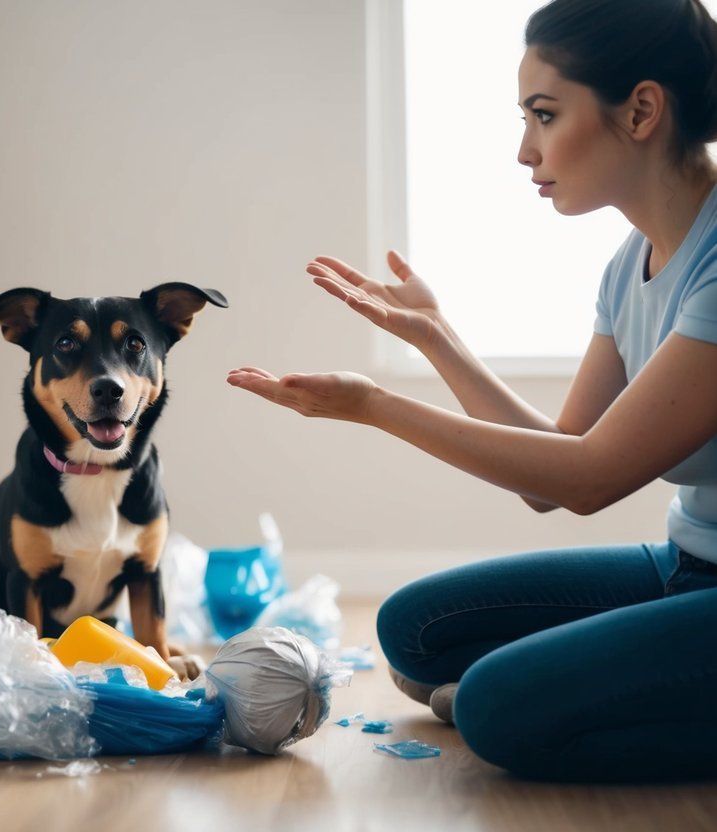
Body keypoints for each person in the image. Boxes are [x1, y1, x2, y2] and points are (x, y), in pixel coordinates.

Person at [227, 0, 717, 784]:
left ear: (641, 109)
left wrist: (374, 406)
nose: (524, 150)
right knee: (415, 631)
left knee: (494, 709)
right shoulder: (632, 263)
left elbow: (589, 479)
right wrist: (436, 337)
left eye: (544, 115)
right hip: (689, 563)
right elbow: (553, 473)